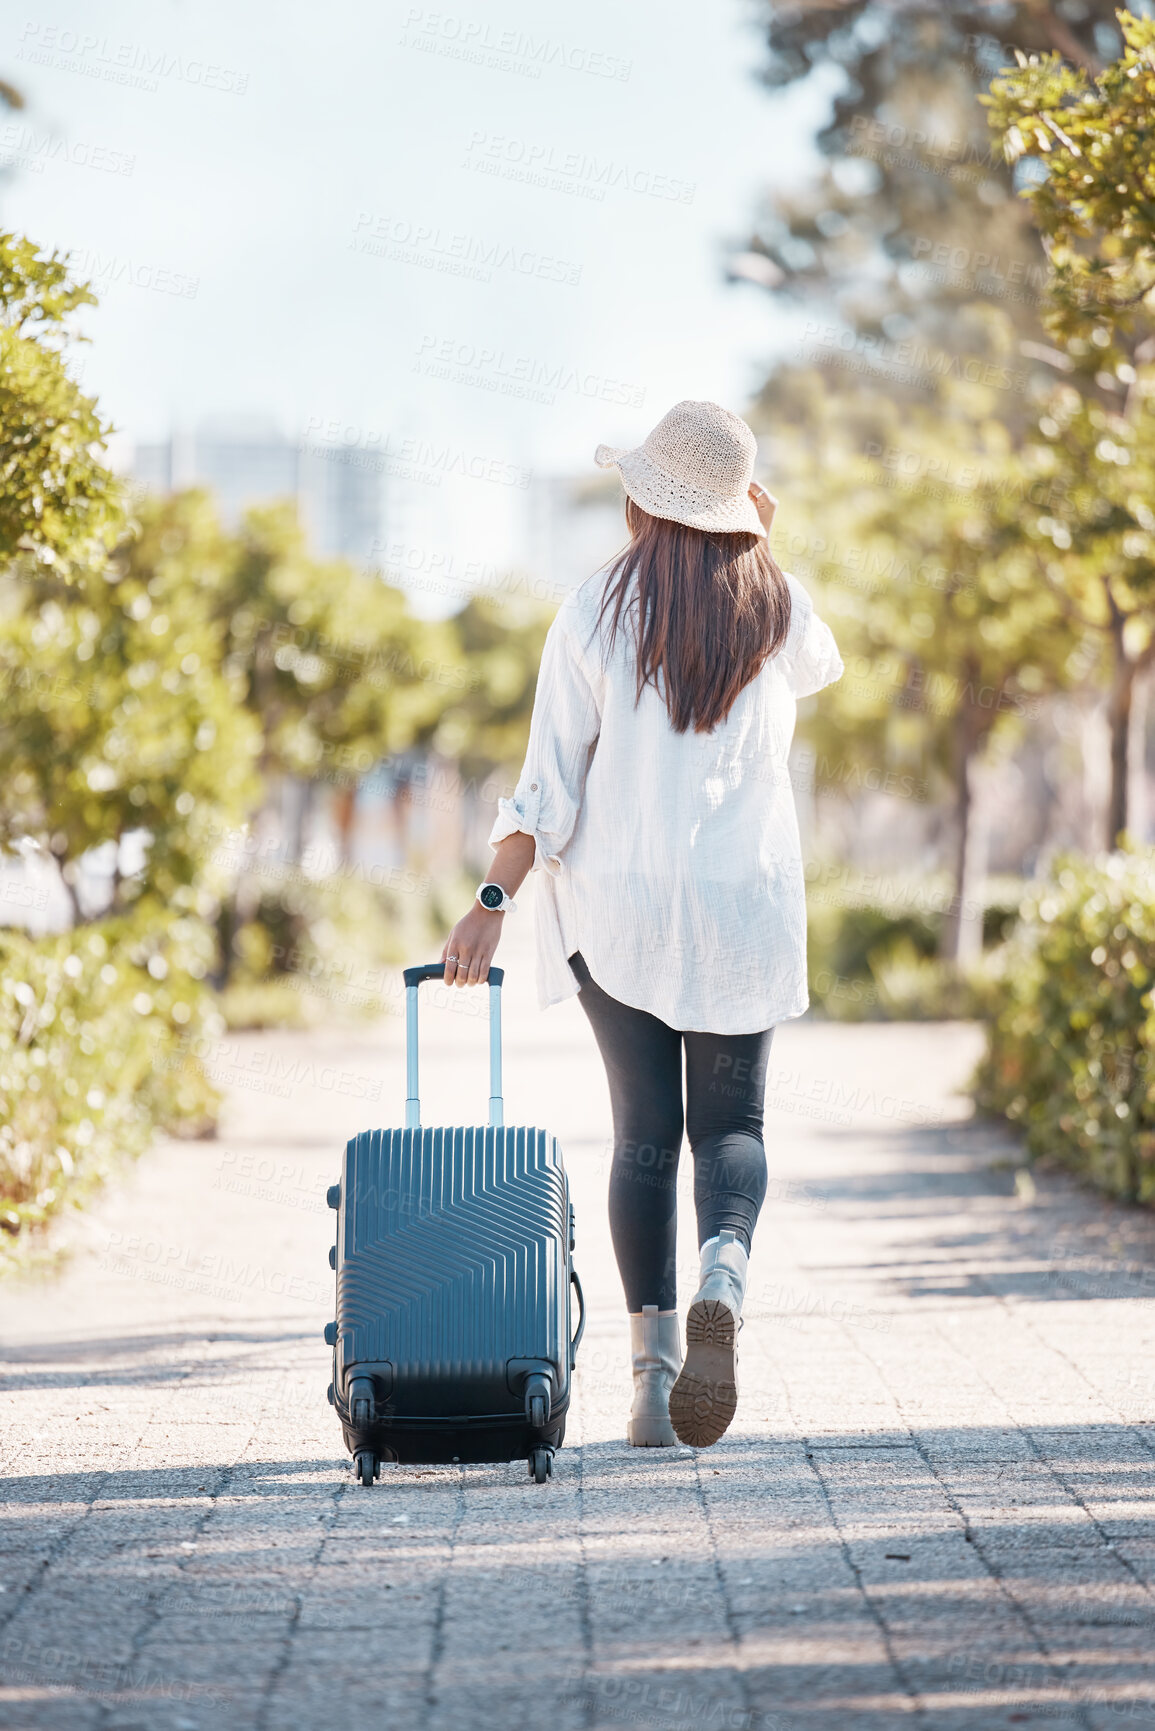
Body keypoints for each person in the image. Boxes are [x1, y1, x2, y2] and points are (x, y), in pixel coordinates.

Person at [440, 400, 843, 1449]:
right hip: (742, 904)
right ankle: (726, 1275)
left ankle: (650, 1378)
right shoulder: (777, 606)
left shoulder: (594, 609)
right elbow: (823, 666)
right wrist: (765, 545)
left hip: (618, 906)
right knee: (735, 1130)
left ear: (642, 499)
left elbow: (548, 784)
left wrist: (492, 902)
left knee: (643, 1138)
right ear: (737, 508)